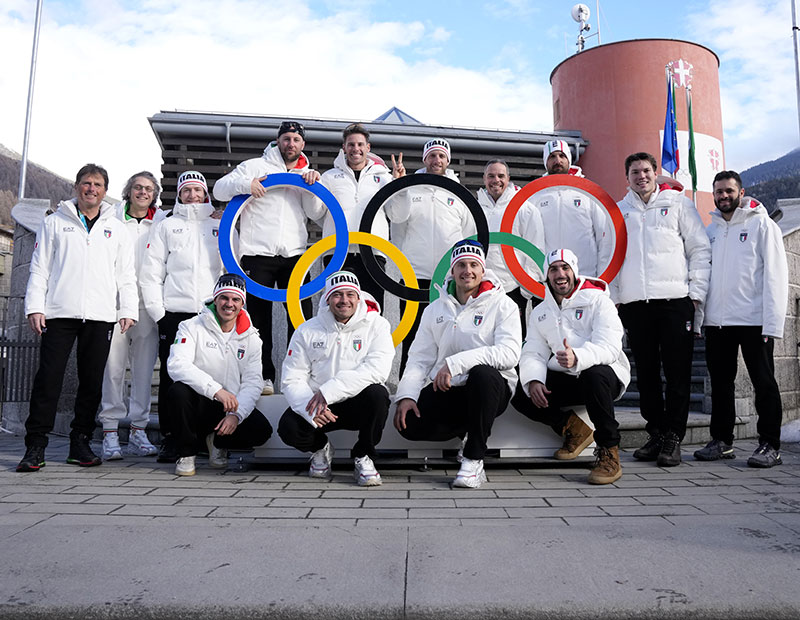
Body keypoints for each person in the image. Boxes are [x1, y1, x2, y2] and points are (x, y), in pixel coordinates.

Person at [17, 164, 137, 472]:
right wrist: (35, 307)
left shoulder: (117, 228)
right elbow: (40, 267)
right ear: (76, 186)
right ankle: (35, 446)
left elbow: (126, 274)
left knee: (91, 382)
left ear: (105, 191)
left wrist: (127, 310)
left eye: (97, 184)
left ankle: (80, 442)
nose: (91, 189)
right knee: (48, 379)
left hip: (100, 315)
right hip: (59, 312)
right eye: (86, 183)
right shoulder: (55, 222)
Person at [394, 240, 521, 488]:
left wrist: (455, 363)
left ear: (483, 270)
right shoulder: (435, 309)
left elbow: (509, 354)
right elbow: (419, 358)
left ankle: (473, 459)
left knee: (482, 374)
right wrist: (407, 395)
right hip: (450, 388)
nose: (467, 271)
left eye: (474, 265)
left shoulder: (503, 304)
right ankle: (469, 432)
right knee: (409, 424)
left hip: (491, 389)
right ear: (452, 270)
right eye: (461, 265)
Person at [213, 121, 324, 396]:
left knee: (301, 319)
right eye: (286, 138)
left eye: (296, 140)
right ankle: (263, 377)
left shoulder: (306, 173)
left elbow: (316, 213)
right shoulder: (254, 166)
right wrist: (246, 184)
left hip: (294, 255)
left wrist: (313, 186)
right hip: (257, 254)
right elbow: (219, 190)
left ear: (303, 144)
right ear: (278, 141)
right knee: (258, 321)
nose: (291, 144)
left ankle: (299, 376)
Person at [613, 152, 711, 467]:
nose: (641, 176)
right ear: (626, 177)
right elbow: (610, 256)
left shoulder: (679, 204)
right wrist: (616, 298)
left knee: (677, 372)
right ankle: (656, 432)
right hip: (635, 305)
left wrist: (695, 294)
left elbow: (699, 249)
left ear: (655, 173)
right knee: (647, 375)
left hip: (674, 301)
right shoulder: (619, 211)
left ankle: (673, 437)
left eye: (645, 170)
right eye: (634, 172)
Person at [694, 171, 788, 468]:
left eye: (729, 191)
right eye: (719, 191)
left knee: (764, 382)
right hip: (718, 322)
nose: (723, 196)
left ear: (741, 192)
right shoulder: (711, 230)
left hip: (753, 321)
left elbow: (776, 276)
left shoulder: (762, 225)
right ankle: (722, 441)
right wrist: (701, 318)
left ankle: (770, 445)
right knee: (721, 385)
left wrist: (772, 323)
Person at [511, 249, 630, 484]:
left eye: (565, 268)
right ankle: (573, 429)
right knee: (515, 382)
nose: (560, 274)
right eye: (553, 269)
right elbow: (533, 351)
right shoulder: (541, 311)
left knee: (594, 374)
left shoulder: (598, 300)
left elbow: (610, 347)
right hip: (565, 376)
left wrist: (577, 356)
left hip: (605, 377)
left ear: (574, 271)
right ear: (547, 275)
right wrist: (534, 379)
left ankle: (609, 452)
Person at [139, 170, 226, 463]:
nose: (192, 195)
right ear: (179, 194)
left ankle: (204, 436)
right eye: (186, 190)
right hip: (175, 313)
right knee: (171, 375)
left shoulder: (220, 225)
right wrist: (159, 313)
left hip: (211, 312)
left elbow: (232, 267)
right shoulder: (166, 225)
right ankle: (172, 437)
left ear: (205, 194)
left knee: (211, 374)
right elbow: (152, 271)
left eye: (197, 190)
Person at [278, 271, 394, 486]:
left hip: (356, 403)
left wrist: (329, 390)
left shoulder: (377, 325)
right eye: (337, 294)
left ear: (358, 297)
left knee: (378, 395)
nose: (344, 300)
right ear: (328, 298)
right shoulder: (307, 330)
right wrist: (309, 407)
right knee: (288, 428)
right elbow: (292, 377)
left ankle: (364, 456)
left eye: (350, 294)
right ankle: (321, 448)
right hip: (320, 406)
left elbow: (377, 370)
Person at [385, 138, 477, 373]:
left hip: (449, 277)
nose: (437, 160)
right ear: (425, 159)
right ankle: (408, 381)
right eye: (432, 155)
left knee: (449, 333)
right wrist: (400, 187)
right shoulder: (410, 188)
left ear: (448, 160)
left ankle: (446, 381)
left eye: (442, 156)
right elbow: (397, 218)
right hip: (415, 274)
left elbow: (468, 233)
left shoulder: (459, 193)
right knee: (413, 334)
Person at [167, 273, 272, 476]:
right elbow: (177, 364)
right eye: (224, 298)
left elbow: (253, 382)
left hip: (228, 406)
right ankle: (187, 453)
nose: (229, 304)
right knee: (177, 391)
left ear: (242, 304)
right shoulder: (191, 326)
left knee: (261, 431)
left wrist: (236, 415)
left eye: (235, 299)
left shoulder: (252, 337)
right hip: (199, 401)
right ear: (215, 299)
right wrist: (216, 390)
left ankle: (217, 443)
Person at [98, 171, 165, 460]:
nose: (143, 192)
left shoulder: (162, 221)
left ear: (154, 194)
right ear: (129, 191)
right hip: (115, 304)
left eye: (149, 189)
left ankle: (138, 430)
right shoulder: (111, 218)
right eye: (138, 187)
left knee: (143, 371)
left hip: (147, 306)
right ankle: (110, 432)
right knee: (113, 369)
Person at [319, 123, 393, 309]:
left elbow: (397, 215)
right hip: (337, 253)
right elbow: (316, 213)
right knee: (336, 309)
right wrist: (311, 185)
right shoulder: (329, 176)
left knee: (372, 309)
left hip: (373, 252)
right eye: (351, 144)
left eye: (360, 144)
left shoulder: (384, 177)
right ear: (344, 147)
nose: (355, 149)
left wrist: (400, 186)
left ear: (368, 147)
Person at [477, 159, 545, 336]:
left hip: (513, 288)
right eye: (491, 176)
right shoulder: (474, 209)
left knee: (514, 338)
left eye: (501, 176)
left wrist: (526, 287)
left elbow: (535, 249)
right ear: (484, 179)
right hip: (481, 288)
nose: (496, 180)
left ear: (508, 178)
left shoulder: (525, 209)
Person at [533, 140, 612, 278]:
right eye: (552, 157)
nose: (557, 161)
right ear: (545, 162)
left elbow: (603, 237)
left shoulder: (588, 192)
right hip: (551, 277)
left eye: (562, 156)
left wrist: (603, 274)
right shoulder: (535, 195)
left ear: (569, 159)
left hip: (586, 275)